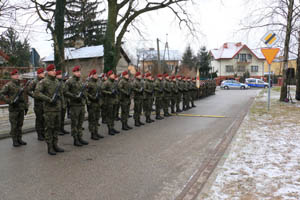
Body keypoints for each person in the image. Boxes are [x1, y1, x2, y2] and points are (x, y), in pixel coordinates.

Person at [34, 64, 64, 155]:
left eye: (55, 70)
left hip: (57, 108)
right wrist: (48, 99)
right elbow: (37, 93)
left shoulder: (57, 81)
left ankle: (55, 145)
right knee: (49, 128)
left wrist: (62, 104)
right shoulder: (43, 82)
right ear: (48, 71)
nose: (55, 71)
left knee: (56, 128)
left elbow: (61, 94)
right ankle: (50, 147)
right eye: (53, 70)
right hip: (49, 109)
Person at [0, 69, 28, 147]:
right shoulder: (8, 85)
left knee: (20, 124)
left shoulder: (20, 84)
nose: (17, 76)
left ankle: (19, 139)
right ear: (12, 76)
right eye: (15, 75)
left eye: (17, 74)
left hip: (21, 108)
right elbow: (1, 94)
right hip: (14, 109)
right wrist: (9, 101)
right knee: (14, 125)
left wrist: (26, 106)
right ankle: (15, 140)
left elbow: (23, 97)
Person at [65, 66, 89, 147]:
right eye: (77, 71)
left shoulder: (81, 81)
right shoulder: (69, 81)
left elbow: (84, 91)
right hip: (74, 105)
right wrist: (74, 96)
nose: (79, 73)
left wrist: (85, 98)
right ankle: (75, 139)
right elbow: (65, 92)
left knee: (80, 123)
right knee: (74, 123)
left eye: (79, 71)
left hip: (81, 104)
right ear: (73, 72)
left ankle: (80, 137)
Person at [27, 68, 46, 141]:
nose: (43, 74)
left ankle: (44, 133)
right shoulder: (34, 82)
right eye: (42, 73)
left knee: (44, 119)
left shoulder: (44, 81)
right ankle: (39, 134)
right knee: (39, 119)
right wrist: (35, 96)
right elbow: (28, 91)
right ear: (38, 74)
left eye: (43, 73)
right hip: (38, 104)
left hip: (45, 103)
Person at [86, 69, 104, 140]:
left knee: (97, 119)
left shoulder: (97, 83)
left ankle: (96, 132)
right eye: (95, 74)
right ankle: (92, 134)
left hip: (97, 103)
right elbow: (86, 93)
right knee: (92, 119)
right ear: (92, 75)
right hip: (92, 104)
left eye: (97, 74)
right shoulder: (89, 83)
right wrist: (92, 98)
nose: (97, 75)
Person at [101, 70, 120, 135]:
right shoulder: (106, 82)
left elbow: (116, 90)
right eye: (112, 74)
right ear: (109, 75)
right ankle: (110, 129)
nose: (113, 75)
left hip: (114, 101)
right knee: (109, 116)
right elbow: (102, 90)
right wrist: (110, 93)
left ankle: (112, 127)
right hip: (109, 102)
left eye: (113, 74)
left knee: (113, 115)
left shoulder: (114, 82)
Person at [56, 70, 70, 135]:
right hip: (58, 102)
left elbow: (65, 91)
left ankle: (62, 128)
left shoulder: (62, 82)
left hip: (63, 101)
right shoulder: (56, 82)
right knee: (58, 117)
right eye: (59, 74)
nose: (61, 76)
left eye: (61, 74)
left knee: (62, 117)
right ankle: (58, 130)